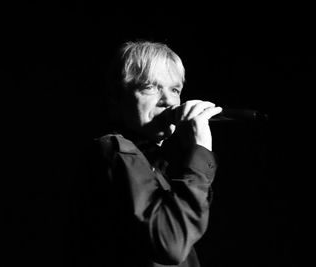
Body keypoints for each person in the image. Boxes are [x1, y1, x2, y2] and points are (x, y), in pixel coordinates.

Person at [72, 40, 222, 267]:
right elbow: (171, 245)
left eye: (175, 90)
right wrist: (200, 149)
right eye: (150, 87)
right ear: (117, 98)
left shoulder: (154, 164)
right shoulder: (116, 150)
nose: (169, 101)